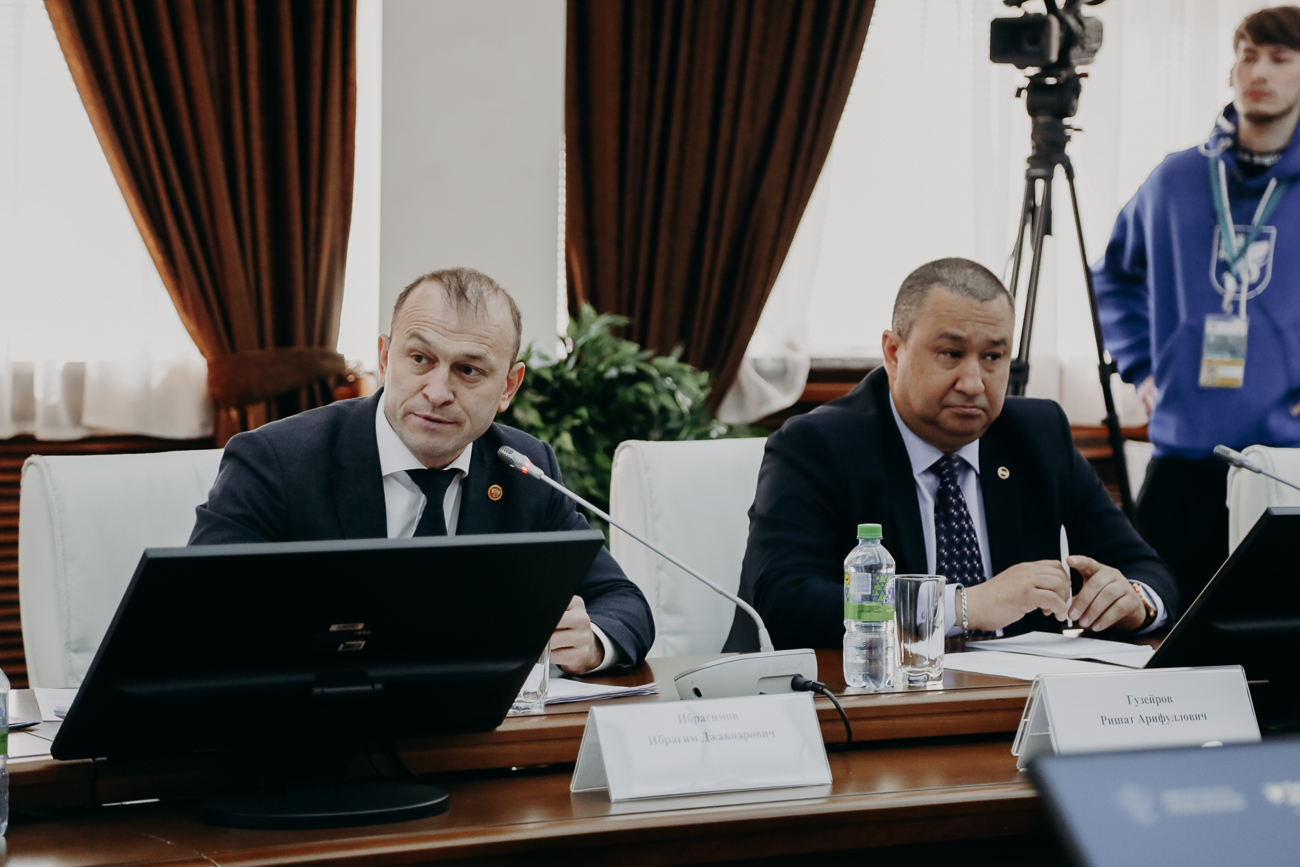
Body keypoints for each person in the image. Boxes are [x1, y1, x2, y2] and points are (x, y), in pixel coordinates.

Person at [190, 267, 654, 674]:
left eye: (469, 370)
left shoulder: (524, 470)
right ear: (385, 357)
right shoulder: (276, 461)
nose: (437, 392)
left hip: (477, 729)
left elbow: (621, 601)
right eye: (420, 359)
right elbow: (200, 613)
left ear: (508, 387)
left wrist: (592, 642)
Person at [723, 258, 1177, 653]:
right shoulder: (818, 445)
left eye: (993, 357)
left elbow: (1147, 570)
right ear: (893, 352)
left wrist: (1134, 601)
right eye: (951, 353)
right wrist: (961, 606)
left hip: (1010, 702)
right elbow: (783, 600)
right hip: (862, 701)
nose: (974, 382)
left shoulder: (1038, 435)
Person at [1093, 6, 1300, 603]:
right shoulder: (1176, 178)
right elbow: (1113, 275)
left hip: (1285, 463)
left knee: (1278, 638)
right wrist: (1141, 367)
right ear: (1231, 70)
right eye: (1247, 55)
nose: (1259, 71)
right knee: (1160, 629)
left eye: (1280, 58)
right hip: (1184, 457)